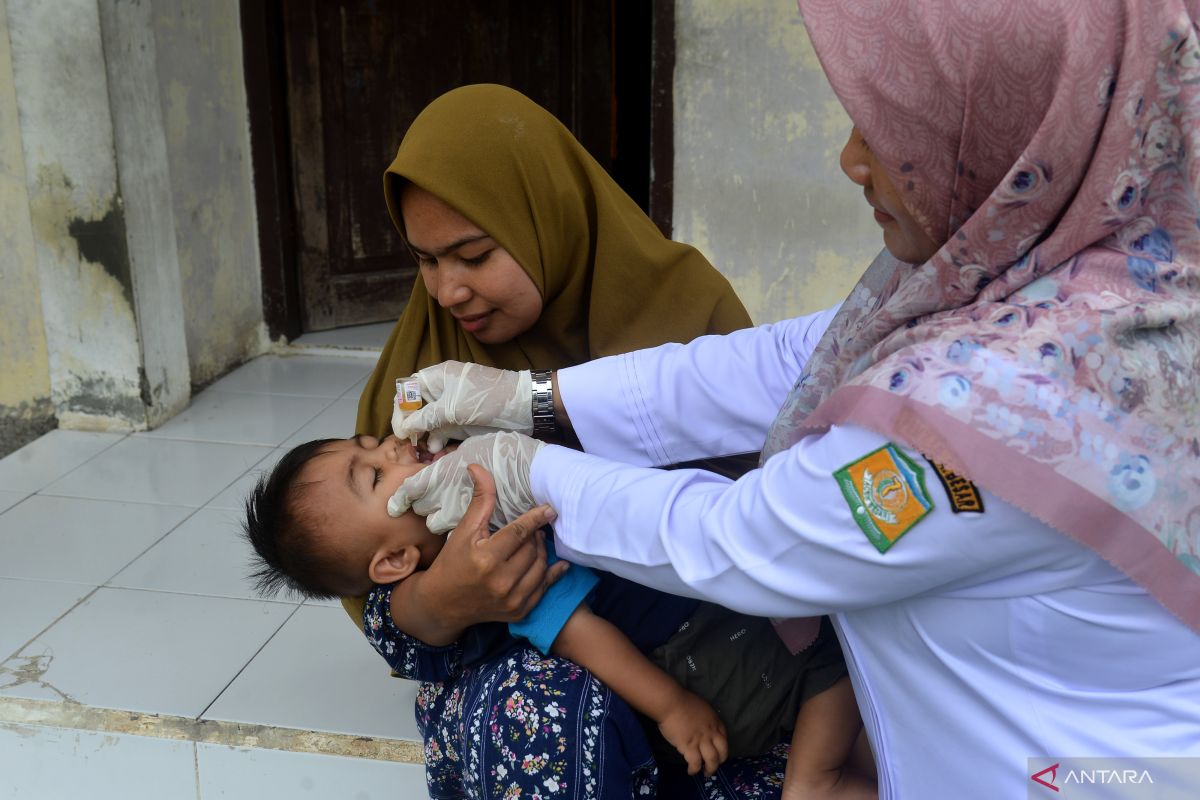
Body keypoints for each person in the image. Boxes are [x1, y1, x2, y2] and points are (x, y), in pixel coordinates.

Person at [384, 1, 1200, 796]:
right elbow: (788, 359)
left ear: (1014, 130)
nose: (851, 159)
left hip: (1089, 773)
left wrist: (530, 471)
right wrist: (532, 399)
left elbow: (747, 541)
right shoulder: (1051, 264)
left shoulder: (1010, 402)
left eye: (887, 132)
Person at [346, 83, 863, 798]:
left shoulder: (682, 309)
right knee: (537, 713)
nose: (446, 292)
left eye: (472, 255)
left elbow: (759, 514)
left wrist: (539, 449)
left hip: (731, 665)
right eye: (427, 261)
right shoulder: (424, 372)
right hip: (559, 679)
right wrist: (442, 601)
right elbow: (370, 576)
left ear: (545, 217)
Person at [242, 431, 862, 790]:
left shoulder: (472, 498)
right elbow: (580, 634)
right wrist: (674, 709)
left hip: (714, 629)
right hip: (709, 665)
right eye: (376, 473)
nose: (398, 445)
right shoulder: (499, 562)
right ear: (394, 562)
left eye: (374, 442)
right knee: (832, 663)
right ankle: (818, 782)